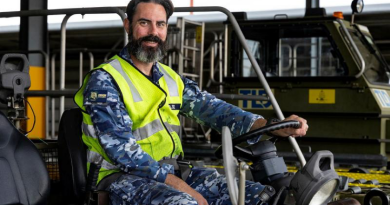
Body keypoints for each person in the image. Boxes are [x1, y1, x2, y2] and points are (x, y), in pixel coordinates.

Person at [74, 0, 309, 204]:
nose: (153, 32)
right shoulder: (105, 79)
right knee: (182, 202)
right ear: (128, 25)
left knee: (262, 196)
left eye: (160, 24)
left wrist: (269, 125)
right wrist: (177, 183)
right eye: (144, 23)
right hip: (121, 178)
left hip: (172, 170)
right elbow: (120, 150)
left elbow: (214, 109)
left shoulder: (170, 78)